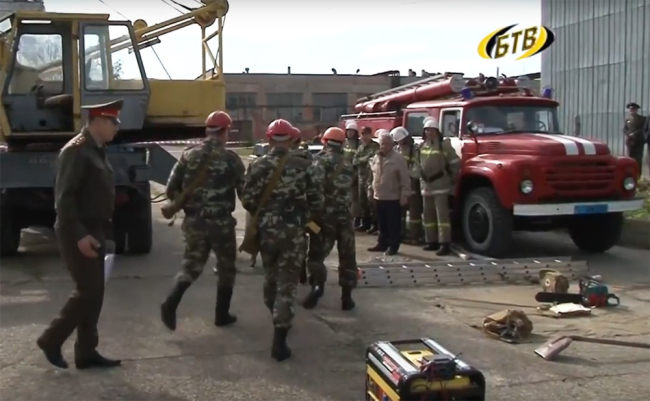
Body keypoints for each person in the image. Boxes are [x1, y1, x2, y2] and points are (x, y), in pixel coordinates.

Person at [36, 100, 125, 370]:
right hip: (77, 230)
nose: (117, 127)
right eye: (113, 122)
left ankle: (86, 352)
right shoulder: (75, 151)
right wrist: (79, 235)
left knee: (95, 293)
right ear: (98, 121)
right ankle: (51, 339)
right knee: (88, 290)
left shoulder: (96, 150)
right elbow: (64, 199)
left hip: (94, 228)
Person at [241, 119, 322, 362]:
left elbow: (247, 199)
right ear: (290, 139)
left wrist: (266, 214)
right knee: (287, 284)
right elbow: (317, 200)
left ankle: (275, 311)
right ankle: (279, 340)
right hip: (293, 233)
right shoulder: (304, 166)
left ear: (268, 139)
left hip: (267, 233)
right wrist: (304, 217)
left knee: (271, 278)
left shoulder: (258, 165)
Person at [160, 111, 244, 331]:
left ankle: (170, 303)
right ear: (225, 131)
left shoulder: (189, 154)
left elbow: (170, 188)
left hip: (194, 222)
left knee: (191, 266)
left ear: (208, 130)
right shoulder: (231, 159)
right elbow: (245, 194)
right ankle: (221, 315)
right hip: (221, 224)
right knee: (226, 268)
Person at [303, 127, 357, 311]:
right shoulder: (348, 163)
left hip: (325, 219)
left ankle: (317, 288)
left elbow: (314, 190)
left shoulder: (319, 162)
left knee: (316, 256)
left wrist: (312, 218)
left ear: (324, 142)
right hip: (346, 217)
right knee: (347, 256)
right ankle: (347, 298)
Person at [415, 117, 461, 256]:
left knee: (442, 217)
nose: (429, 132)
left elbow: (455, 163)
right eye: (427, 130)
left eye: (432, 130)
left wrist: (451, 179)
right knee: (428, 215)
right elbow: (417, 164)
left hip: (441, 185)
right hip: (426, 185)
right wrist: (420, 177)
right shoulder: (422, 146)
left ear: (437, 131)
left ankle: (444, 243)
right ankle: (431, 241)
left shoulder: (444, 145)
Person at [367, 130, 410, 255]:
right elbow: (372, 176)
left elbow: (405, 179)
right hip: (379, 196)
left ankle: (393, 246)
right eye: (381, 143)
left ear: (391, 144)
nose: (383, 146)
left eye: (385, 144)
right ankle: (382, 243)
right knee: (381, 223)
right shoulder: (376, 157)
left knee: (393, 224)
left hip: (393, 197)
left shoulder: (398, 158)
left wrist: (404, 195)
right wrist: (370, 190)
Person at [391, 126, 424, 245]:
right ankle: (401, 233)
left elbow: (417, 167)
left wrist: (407, 174)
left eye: (400, 140)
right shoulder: (396, 149)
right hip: (398, 183)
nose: (399, 142)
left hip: (412, 183)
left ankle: (415, 236)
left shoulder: (414, 150)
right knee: (400, 211)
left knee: (414, 211)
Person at [352, 126, 379, 233]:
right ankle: (365, 223)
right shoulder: (361, 147)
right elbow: (355, 161)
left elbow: (374, 160)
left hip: (371, 178)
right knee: (362, 202)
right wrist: (365, 158)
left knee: (371, 203)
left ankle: (374, 224)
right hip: (361, 178)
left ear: (370, 134)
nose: (364, 136)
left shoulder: (375, 146)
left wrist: (363, 160)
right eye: (362, 134)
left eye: (366, 134)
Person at [343, 120, 361, 228]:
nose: (350, 133)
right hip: (344, 173)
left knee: (355, 198)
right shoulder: (344, 143)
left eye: (352, 131)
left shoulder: (359, 144)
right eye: (348, 131)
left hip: (355, 173)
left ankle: (357, 218)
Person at [623, 102, 646, 177]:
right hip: (630, 141)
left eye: (633, 109)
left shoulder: (642, 119)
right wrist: (627, 134)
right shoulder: (627, 119)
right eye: (630, 109)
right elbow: (625, 129)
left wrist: (635, 134)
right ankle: (631, 174)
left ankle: (638, 174)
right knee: (630, 158)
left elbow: (643, 129)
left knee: (638, 158)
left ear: (636, 110)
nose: (631, 110)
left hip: (638, 141)